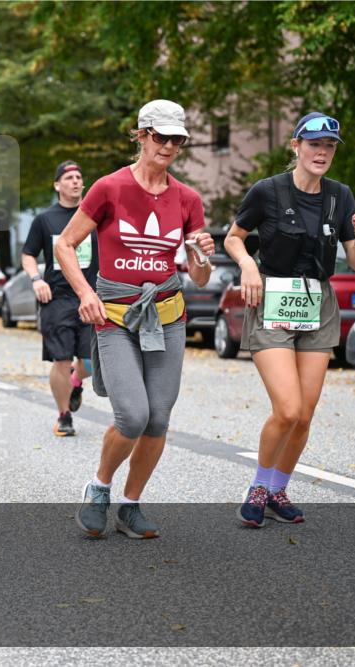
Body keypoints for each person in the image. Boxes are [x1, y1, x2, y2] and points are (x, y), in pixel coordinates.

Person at [60, 99, 215, 539]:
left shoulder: (188, 198)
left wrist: (201, 253)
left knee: (159, 418)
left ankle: (130, 505)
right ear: (142, 135)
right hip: (115, 315)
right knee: (132, 415)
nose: (168, 146)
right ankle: (99, 487)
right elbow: (66, 245)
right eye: (160, 137)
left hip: (168, 315)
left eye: (176, 140)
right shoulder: (109, 188)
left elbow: (200, 277)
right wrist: (85, 293)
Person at [225, 112, 355, 527]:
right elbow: (234, 237)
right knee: (286, 409)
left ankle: (277, 489)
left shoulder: (340, 196)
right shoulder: (267, 191)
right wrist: (248, 267)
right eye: (314, 144)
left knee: (304, 414)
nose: (322, 152)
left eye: (329, 146)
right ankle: (257, 486)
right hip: (272, 299)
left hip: (318, 304)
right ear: (296, 146)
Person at [21, 161, 99, 437]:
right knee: (61, 360)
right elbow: (28, 254)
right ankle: (64, 415)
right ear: (57, 185)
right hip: (57, 298)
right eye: (69, 178)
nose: (76, 181)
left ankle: (76, 382)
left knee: (91, 363)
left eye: (79, 177)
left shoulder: (95, 217)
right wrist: (36, 279)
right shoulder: (45, 220)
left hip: (91, 297)